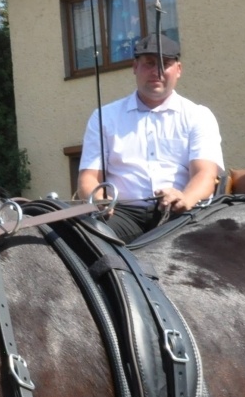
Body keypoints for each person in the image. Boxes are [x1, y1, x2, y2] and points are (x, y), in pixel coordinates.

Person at [77, 33, 223, 241]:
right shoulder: (104, 117)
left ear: (178, 70)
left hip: (179, 213)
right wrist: (97, 199)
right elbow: (89, 177)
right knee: (83, 241)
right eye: (149, 63)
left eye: (166, 64)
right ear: (135, 67)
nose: (157, 71)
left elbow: (205, 175)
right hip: (121, 215)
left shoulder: (198, 116)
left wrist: (186, 197)